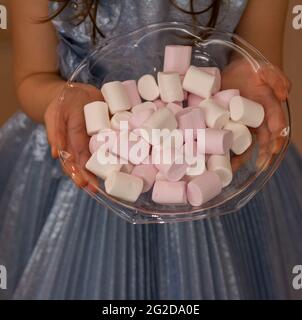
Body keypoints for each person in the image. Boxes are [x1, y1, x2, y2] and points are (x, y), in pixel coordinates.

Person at [0, 0, 301, 299]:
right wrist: (62, 98)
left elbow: (256, 56)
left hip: (211, 166)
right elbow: (32, 77)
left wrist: (246, 80)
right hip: (88, 157)